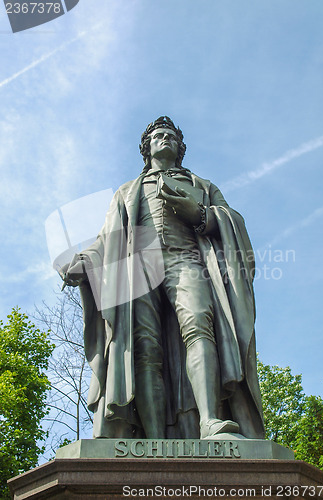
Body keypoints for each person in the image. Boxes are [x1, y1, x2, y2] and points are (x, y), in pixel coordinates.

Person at [60, 116, 265, 440]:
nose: (165, 138)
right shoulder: (127, 192)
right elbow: (107, 238)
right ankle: (154, 435)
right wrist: (84, 261)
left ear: (180, 147)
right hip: (137, 267)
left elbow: (232, 221)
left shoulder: (203, 186)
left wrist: (199, 214)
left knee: (199, 323)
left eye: (171, 135)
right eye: (158, 135)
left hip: (187, 260)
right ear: (147, 148)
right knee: (143, 347)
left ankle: (210, 421)